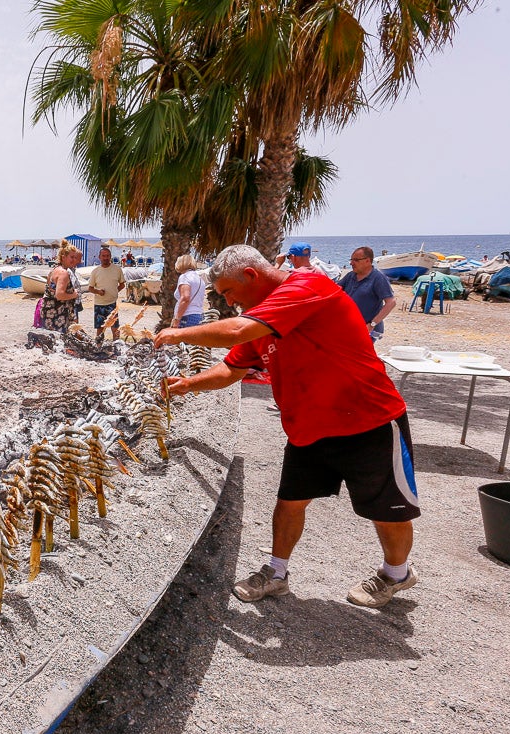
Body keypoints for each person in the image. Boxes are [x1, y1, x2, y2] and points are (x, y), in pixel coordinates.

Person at [153, 244, 419, 609]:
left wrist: (178, 332)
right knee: (290, 503)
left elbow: (234, 332)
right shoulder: (260, 320)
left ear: (250, 276)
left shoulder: (306, 287)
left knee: (387, 510)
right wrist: (188, 384)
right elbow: (233, 367)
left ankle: (396, 573)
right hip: (308, 427)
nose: (230, 302)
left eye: (229, 293)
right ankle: (277, 573)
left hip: (367, 420)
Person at [338, 246, 396, 342]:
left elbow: (391, 302)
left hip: (367, 330)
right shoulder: (351, 276)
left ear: (367, 261)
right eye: (351, 260)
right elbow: (335, 290)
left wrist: (372, 324)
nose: (351, 263)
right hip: (349, 328)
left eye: (356, 260)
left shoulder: (378, 278)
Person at [40, 241, 82, 333]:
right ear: (63, 257)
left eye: (75, 257)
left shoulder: (54, 270)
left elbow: (50, 290)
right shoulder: (63, 273)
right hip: (57, 315)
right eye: (71, 257)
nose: (74, 260)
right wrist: (74, 294)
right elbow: (60, 295)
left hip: (49, 313)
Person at [87, 246, 124, 340]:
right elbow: (90, 288)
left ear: (110, 256)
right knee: (100, 329)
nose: (105, 258)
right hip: (99, 304)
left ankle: (117, 346)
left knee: (115, 328)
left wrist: (114, 292)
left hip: (112, 304)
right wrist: (98, 292)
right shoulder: (95, 271)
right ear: (99, 257)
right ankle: (99, 346)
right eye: (103, 256)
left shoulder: (117, 269)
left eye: (107, 256)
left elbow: (122, 285)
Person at [169, 254, 205, 328]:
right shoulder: (200, 279)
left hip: (186, 316)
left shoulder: (185, 277)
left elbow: (185, 298)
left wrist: (177, 319)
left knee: (182, 339)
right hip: (199, 315)